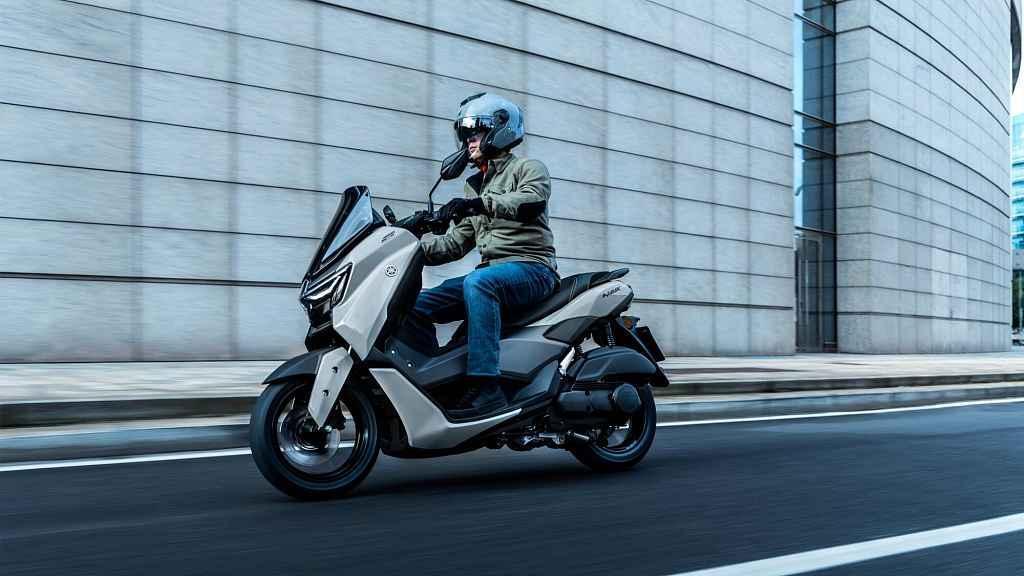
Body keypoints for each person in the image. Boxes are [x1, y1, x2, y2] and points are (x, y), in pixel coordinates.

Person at [414, 93, 559, 416]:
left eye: (476, 133)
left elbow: (530, 202)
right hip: (492, 274)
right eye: (466, 135)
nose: (469, 141)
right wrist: (408, 246)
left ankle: (486, 386)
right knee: (414, 305)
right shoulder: (474, 185)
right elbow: (455, 243)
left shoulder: (528, 168)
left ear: (500, 131)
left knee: (479, 283)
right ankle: (433, 381)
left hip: (533, 269)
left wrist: (478, 204)